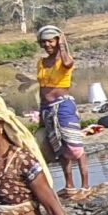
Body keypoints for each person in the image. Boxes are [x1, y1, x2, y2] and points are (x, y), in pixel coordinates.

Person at [32, 24, 90, 194]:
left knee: (74, 147)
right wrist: (42, 114)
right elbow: (42, 89)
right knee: (60, 149)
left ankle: (86, 185)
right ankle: (69, 185)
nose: (47, 45)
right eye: (44, 42)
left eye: (51, 41)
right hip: (47, 108)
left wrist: (63, 43)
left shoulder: (65, 60)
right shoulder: (41, 63)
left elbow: (67, 62)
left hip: (63, 105)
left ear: (57, 41)